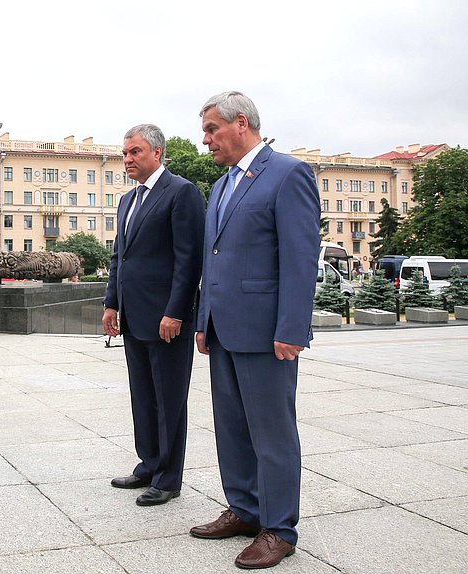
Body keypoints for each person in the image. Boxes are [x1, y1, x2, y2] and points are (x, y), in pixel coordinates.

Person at [190, 91, 320, 569]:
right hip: (223, 330)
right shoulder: (222, 184)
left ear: (240, 123)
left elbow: (301, 258)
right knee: (232, 428)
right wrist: (204, 320)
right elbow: (214, 259)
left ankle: (279, 529)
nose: (205, 140)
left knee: (272, 433)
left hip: (268, 333)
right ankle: (245, 509)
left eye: (211, 130)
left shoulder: (288, 174)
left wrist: (292, 328)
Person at [101, 124, 205, 507]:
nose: (127, 159)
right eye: (125, 153)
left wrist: (176, 311)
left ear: (157, 153)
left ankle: (168, 478)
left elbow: (188, 259)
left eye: (135, 152)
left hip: (167, 321)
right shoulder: (128, 201)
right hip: (133, 317)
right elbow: (119, 257)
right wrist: (112, 303)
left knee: (169, 399)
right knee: (143, 397)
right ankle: (148, 463)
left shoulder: (182, 193)